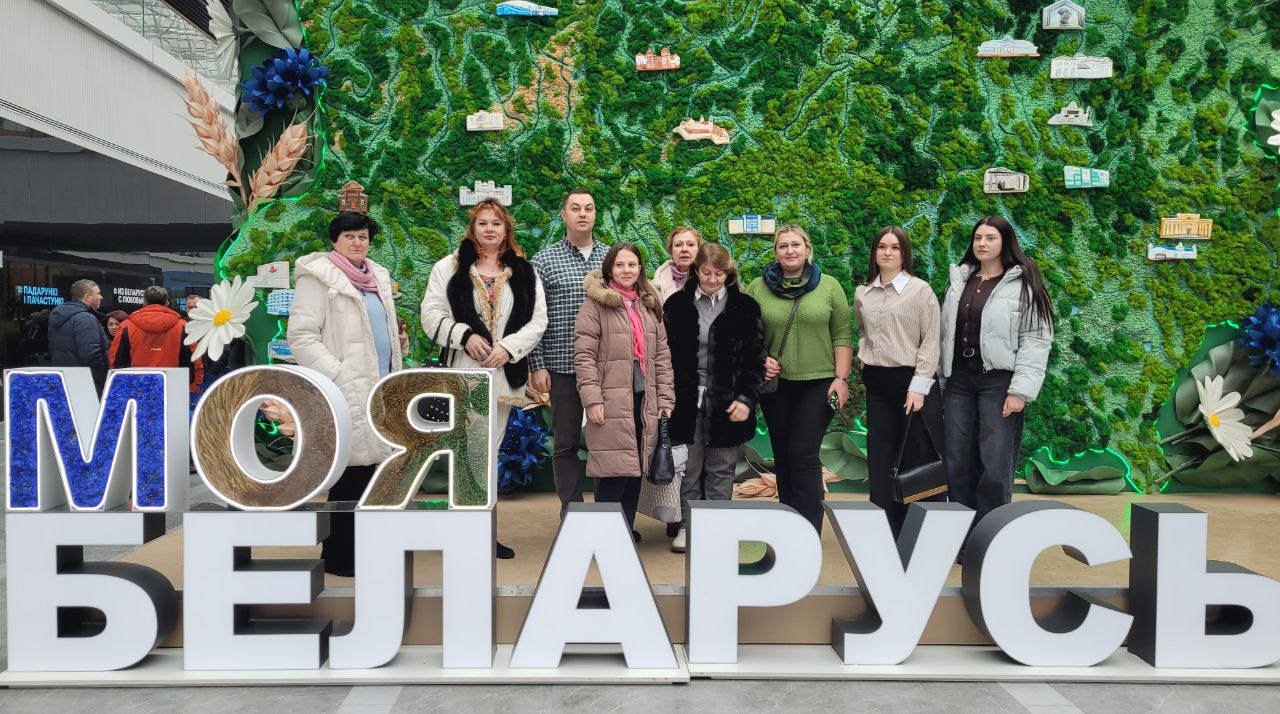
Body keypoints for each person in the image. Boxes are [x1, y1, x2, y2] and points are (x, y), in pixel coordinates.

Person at [421, 198, 548, 559]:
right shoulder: (448, 267)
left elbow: (538, 319)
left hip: (503, 376)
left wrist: (508, 348)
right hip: (464, 373)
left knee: (489, 453)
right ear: (472, 228)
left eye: (496, 223)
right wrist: (464, 335)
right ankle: (461, 534)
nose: (490, 229)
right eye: (483, 223)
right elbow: (430, 314)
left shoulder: (523, 271)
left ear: (506, 230)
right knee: (465, 452)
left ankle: (483, 533)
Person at [288, 211, 402, 577]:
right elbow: (302, 337)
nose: (357, 242)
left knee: (374, 474)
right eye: (350, 236)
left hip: (380, 385)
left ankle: (369, 550)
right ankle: (340, 556)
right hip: (346, 389)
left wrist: (396, 347)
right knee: (349, 473)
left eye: (363, 236)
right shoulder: (318, 277)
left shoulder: (377, 277)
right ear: (335, 240)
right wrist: (337, 374)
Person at [939, 216, 1053, 558]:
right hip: (959, 379)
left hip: (999, 381)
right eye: (977, 237)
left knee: (995, 460)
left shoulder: (1024, 283)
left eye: (990, 237)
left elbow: (1036, 339)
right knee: (958, 461)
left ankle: (991, 540)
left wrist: (1020, 391)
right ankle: (962, 541)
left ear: (1005, 242)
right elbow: (944, 333)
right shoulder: (960, 280)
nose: (982, 243)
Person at [745, 225, 854, 533]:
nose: (790, 250)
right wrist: (760, 359)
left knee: (803, 453)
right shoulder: (757, 287)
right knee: (782, 454)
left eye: (796, 244)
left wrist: (842, 379)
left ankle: (808, 530)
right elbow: (747, 334)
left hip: (821, 384)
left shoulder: (829, 286)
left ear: (807, 249)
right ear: (776, 252)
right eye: (783, 246)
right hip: (775, 386)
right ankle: (788, 528)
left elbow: (843, 335)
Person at [664, 243, 765, 552]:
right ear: (696, 270)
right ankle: (688, 526)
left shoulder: (745, 307)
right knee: (689, 469)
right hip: (685, 400)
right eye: (706, 272)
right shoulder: (676, 305)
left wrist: (746, 399)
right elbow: (663, 357)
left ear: (728, 274)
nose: (712, 280)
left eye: (719, 274)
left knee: (721, 469)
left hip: (728, 401)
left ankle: (718, 527)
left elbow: (755, 360)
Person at [574, 243, 674, 535]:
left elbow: (662, 356)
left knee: (635, 470)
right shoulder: (595, 305)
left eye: (632, 264)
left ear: (640, 268)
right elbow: (584, 355)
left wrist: (665, 398)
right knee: (612, 471)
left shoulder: (648, 304)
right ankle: (607, 537)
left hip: (645, 399)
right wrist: (592, 399)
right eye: (620, 265)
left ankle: (625, 533)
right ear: (609, 269)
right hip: (611, 400)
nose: (626, 270)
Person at [853, 226, 943, 539]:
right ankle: (884, 527)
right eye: (882, 246)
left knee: (915, 455)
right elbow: (863, 331)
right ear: (874, 252)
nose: (888, 252)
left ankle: (919, 529)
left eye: (895, 247)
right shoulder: (863, 293)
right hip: (877, 382)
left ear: (904, 253)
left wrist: (919, 385)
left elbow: (930, 340)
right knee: (881, 454)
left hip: (911, 383)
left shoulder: (920, 291)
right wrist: (864, 358)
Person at [530, 189, 609, 517]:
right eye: (575, 208)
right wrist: (537, 365)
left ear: (595, 214)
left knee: (606, 444)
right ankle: (572, 511)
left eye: (589, 208)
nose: (583, 214)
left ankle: (607, 513)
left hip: (606, 368)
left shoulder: (611, 259)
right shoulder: (543, 261)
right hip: (561, 365)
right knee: (565, 443)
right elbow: (532, 317)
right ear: (564, 215)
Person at [109, 286, 203, 390]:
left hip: (136, 388)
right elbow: (195, 362)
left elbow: (115, 361)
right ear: (167, 303)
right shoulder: (183, 327)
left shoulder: (126, 326)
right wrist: (193, 388)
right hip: (174, 388)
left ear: (144, 303)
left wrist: (121, 389)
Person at [48, 279, 111, 392]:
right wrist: (106, 380)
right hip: (87, 385)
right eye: (98, 293)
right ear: (87, 297)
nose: (101, 297)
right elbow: (91, 356)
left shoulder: (59, 316)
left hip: (65, 381)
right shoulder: (85, 319)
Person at [652, 226, 702, 301]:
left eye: (690, 244)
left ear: (699, 250)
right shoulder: (653, 288)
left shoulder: (711, 281)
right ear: (671, 251)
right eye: (678, 245)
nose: (684, 249)